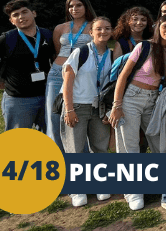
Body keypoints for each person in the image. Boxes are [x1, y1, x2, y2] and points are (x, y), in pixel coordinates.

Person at [108, 14, 166, 214]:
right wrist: (117, 105)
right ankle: (133, 191)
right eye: (165, 26)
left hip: (155, 100)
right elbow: (123, 76)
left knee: (162, 142)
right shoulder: (144, 47)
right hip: (132, 97)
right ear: (158, 27)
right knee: (129, 145)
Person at [0, 0, 55, 131]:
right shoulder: (7, 39)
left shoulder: (48, 35)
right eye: (15, 15)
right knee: (18, 142)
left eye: (24, 12)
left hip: (46, 95)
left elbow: (56, 58)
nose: (21, 17)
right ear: (11, 21)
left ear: (34, 13)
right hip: (18, 99)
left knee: (48, 140)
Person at [61, 17, 113, 207]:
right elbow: (67, 81)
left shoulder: (112, 54)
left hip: (99, 108)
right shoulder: (80, 52)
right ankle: (77, 189)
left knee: (100, 148)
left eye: (107, 28)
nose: (103, 32)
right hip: (77, 107)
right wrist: (69, 109)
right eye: (99, 29)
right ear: (91, 32)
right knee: (75, 150)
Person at [48, 0, 96, 151]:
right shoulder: (60, 28)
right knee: (54, 115)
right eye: (71, 6)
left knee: (80, 116)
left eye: (78, 5)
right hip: (57, 74)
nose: (74, 9)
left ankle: (81, 155)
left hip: (82, 76)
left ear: (86, 6)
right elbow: (57, 50)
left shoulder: (93, 26)